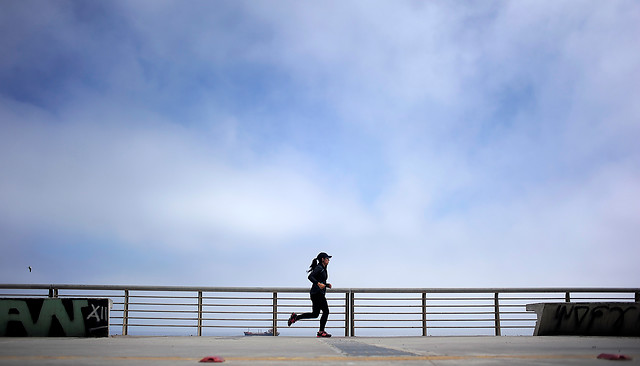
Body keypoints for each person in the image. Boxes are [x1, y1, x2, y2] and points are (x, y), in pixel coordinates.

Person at [288, 252, 333, 337]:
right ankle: (321, 331)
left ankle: (295, 318)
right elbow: (310, 277)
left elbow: (320, 280)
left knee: (315, 314)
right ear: (322, 259)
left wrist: (326, 285)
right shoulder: (319, 268)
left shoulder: (323, 268)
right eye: (327, 258)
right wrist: (318, 284)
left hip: (317, 293)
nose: (328, 260)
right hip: (317, 294)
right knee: (326, 311)